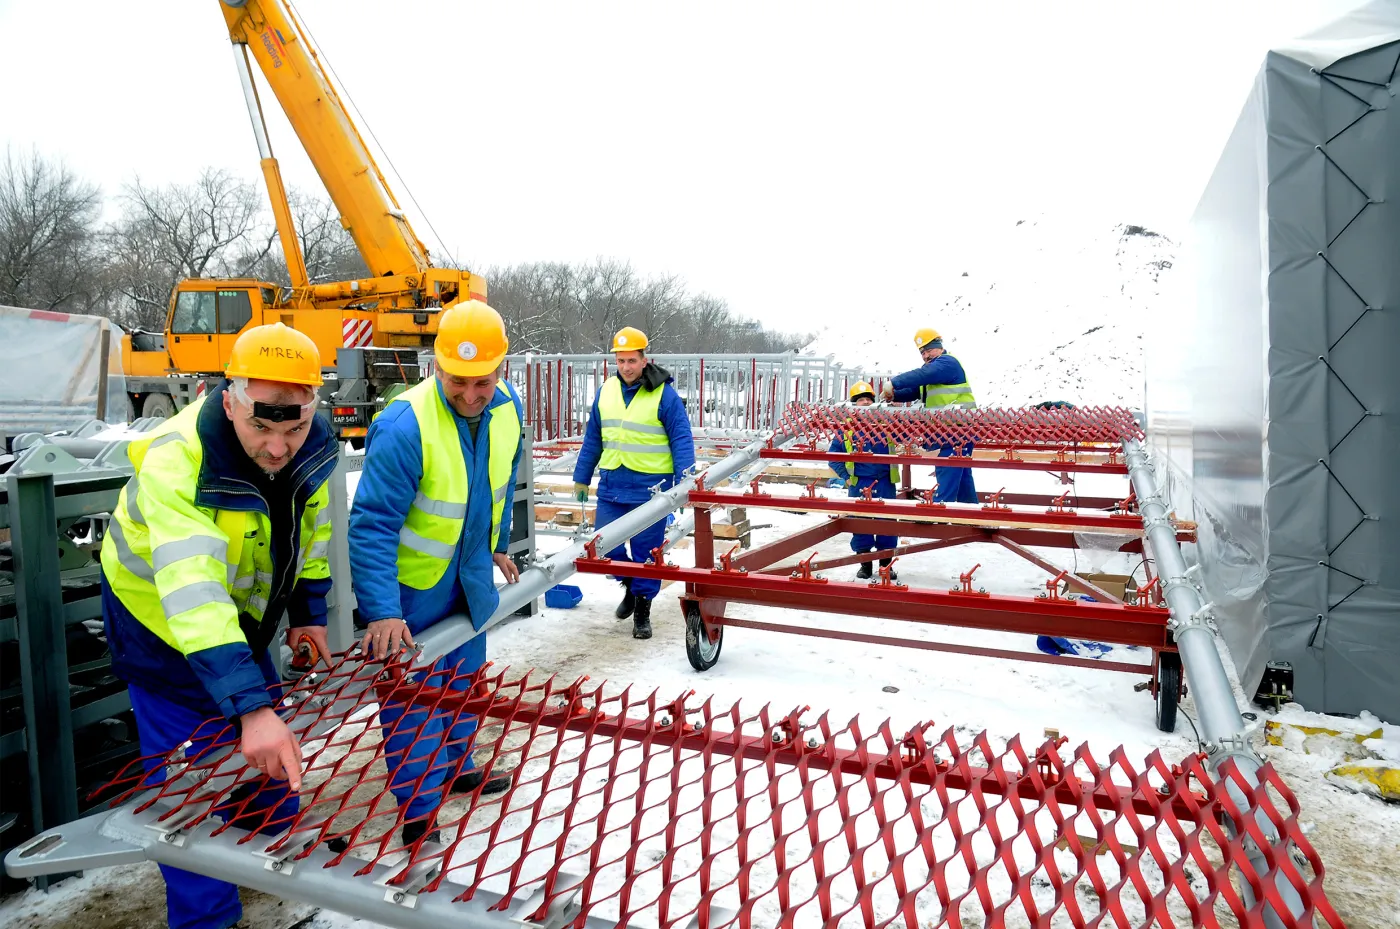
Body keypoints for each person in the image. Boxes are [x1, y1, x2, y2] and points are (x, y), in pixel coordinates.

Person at [100, 322, 337, 929]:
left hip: (241, 624)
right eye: (261, 426)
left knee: (271, 765)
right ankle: (209, 920)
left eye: (294, 427)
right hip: (160, 629)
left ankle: (273, 877)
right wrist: (251, 709)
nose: (279, 447)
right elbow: (194, 594)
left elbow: (309, 534)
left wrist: (307, 617)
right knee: (191, 793)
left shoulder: (314, 443)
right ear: (227, 399)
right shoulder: (178, 459)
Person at [347, 300, 523, 847]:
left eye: (484, 381)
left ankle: (457, 764)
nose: (472, 394)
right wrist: (381, 610)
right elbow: (371, 524)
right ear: (436, 367)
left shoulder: (508, 409)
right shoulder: (404, 425)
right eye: (457, 381)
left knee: (464, 677)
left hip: (467, 574)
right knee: (412, 695)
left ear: (503, 371)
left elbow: (497, 485)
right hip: (411, 589)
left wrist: (494, 545)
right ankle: (419, 807)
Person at [572, 326, 695, 639]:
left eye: (631, 360)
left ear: (644, 360)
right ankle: (629, 583)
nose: (626, 366)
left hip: (651, 489)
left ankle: (642, 610)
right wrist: (581, 477)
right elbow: (593, 438)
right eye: (620, 360)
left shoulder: (664, 394)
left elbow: (681, 438)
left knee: (646, 553)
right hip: (613, 484)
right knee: (603, 546)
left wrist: (684, 482)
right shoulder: (606, 391)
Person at [882, 326, 979, 504]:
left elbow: (925, 374)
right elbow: (916, 391)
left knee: (948, 467)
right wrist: (894, 395)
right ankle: (972, 512)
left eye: (928, 350)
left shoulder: (948, 363)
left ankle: (939, 511)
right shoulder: (933, 371)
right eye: (922, 353)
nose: (926, 356)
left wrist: (894, 382)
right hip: (947, 430)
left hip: (958, 429)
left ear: (939, 346)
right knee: (961, 473)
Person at [829, 381, 900, 580]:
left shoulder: (886, 425)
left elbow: (904, 436)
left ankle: (886, 565)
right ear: (853, 404)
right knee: (860, 524)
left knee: (887, 523)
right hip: (859, 483)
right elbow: (833, 457)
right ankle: (865, 565)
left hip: (885, 482)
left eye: (869, 399)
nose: (866, 403)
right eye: (861, 399)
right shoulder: (846, 430)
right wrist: (846, 478)